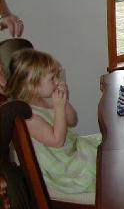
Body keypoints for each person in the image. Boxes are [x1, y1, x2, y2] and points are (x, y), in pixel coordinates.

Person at [5, 48, 101, 195]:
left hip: (70, 149)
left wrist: (63, 101)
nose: (57, 81)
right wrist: (59, 107)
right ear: (32, 85)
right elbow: (57, 141)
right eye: (52, 79)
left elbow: (72, 120)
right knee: (102, 161)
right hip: (61, 167)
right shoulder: (28, 117)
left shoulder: (45, 98)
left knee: (105, 145)